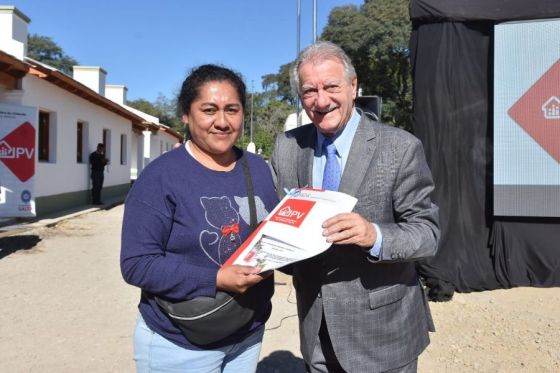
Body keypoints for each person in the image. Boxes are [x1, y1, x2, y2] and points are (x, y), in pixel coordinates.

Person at [270, 41, 440, 373]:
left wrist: (373, 234)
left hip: (384, 335)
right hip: (316, 331)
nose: (321, 100)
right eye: (309, 91)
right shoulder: (287, 147)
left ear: (353, 85)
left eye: (331, 86)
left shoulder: (400, 147)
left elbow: (427, 234)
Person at [120, 64, 278, 372]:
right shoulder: (161, 176)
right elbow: (136, 263)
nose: (222, 121)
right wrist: (216, 279)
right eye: (209, 109)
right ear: (186, 114)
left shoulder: (258, 168)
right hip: (181, 344)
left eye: (232, 110)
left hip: (247, 333)